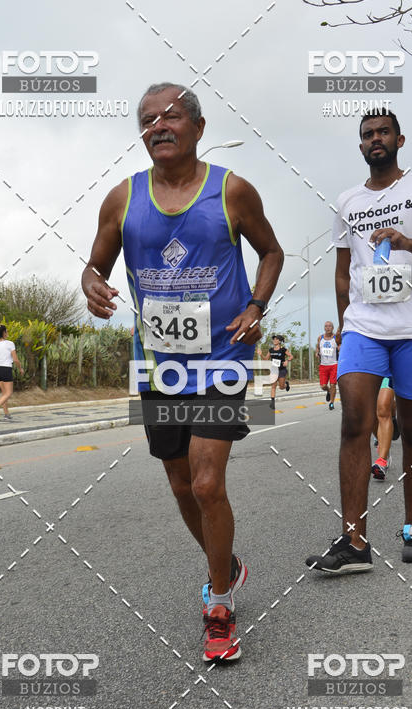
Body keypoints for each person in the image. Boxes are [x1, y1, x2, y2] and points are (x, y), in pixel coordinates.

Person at [81, 82, 284, 662]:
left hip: (223, 359)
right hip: (158, 367)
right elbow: (95, 264)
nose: (159, 126)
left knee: (206, 482)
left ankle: (218, 603)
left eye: (171, 116)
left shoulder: (233, 190)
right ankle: (229, 564)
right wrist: (92, 283)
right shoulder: (121, 199)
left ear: (198, 127)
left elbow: (272, 252)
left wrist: (255, 306)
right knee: (177, 484)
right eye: (148, 120)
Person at [305, 109, 412, 573]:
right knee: (355, 423)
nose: (376, 139)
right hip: (364, 327)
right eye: (368, 134)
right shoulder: (346, 201)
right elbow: (341, 275)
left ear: (400, 139)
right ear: (360, 146)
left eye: (383, 132)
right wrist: (346, 325)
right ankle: (355, 543)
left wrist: (409, 243)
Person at [0, 325, 24, 420]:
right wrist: (20, 368)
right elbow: (15, 359)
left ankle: (6, 414)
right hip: (6, 369)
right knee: (9, 393)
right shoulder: (10, 344)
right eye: (6, 331)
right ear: (3, 333)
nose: (7, 333)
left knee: (4, 393)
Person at [371, 377, 397, 480]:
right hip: (368, 369)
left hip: (387, 370)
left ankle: (382, 461)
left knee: (383, 409)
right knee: (371, 415)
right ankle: (385, 443)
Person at [262, 334, 292, 408]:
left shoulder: (283, 349)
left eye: (276, 339)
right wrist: (261, 354)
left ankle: (286, 384)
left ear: (280, 341)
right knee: (273, 386)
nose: (274, 340)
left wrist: (287, 361)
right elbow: (266, 358)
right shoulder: (271, 350)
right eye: (273, 339)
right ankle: (272, 403)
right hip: (274, 370)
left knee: (281, 387)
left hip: (282, 370)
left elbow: (291, 356)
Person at [316, 321, 339, 410]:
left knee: (333, 384)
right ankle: (329, 391)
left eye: (329, 326)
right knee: (323, 386)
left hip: (334, 365)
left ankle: (332, 403)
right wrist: (317, 352)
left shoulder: (336, 338)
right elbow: (318, 347)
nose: (328, 328)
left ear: (332, 328)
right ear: (324, 328)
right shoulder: (320, 338)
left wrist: (340, 348)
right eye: (326, 326)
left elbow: (340, 346)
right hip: (323, 365)